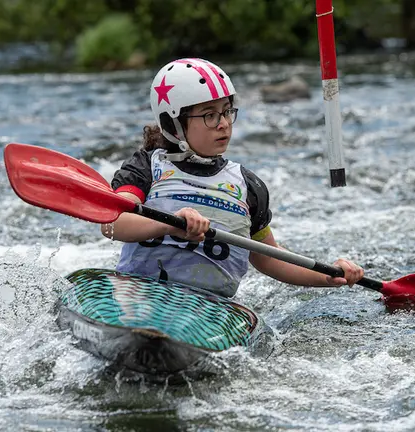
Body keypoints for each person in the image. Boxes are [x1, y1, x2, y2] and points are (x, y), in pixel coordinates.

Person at [100, 58, 363, 298]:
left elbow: (270, 258)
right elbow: (114, 223)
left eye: (227, 111)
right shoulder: (146, 165)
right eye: (209, 115)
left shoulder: (247, 186)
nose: (224, 123)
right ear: (174, 124)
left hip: (211, 309)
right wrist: (167, 225)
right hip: (138, 294)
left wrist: (328, 275)